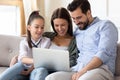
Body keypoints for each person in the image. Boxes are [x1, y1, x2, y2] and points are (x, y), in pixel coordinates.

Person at [45, 0, 118, 80]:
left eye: (79, 18)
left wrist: (83, 71)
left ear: (88, 13)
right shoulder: (77, 31)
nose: (76, 22)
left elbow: (103, 54)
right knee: (51, 78)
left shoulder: (105, 26)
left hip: (100, 69)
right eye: (73, 19)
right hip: (78, 69)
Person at [30, 7, 78, 80]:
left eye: (63, 25)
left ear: (68, 23)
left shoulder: (74, 41)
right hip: (40, 70)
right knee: (41, 71)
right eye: (56, 25)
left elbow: (73, 61)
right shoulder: (46, 36)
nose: (60, 28)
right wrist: (18, 57)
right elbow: (31, 45)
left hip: (58, 73)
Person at [0, 11, 51, 80]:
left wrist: (30, 69)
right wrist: (12, 66)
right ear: (29, 28)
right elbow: (22, 58)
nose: (40, 30)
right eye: (36, 27)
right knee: (19, 65)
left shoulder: (46, 41)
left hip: (34, 70)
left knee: (42, 70)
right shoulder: (24, 42)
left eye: (42, 27)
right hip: (22, 70)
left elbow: (42, 61)